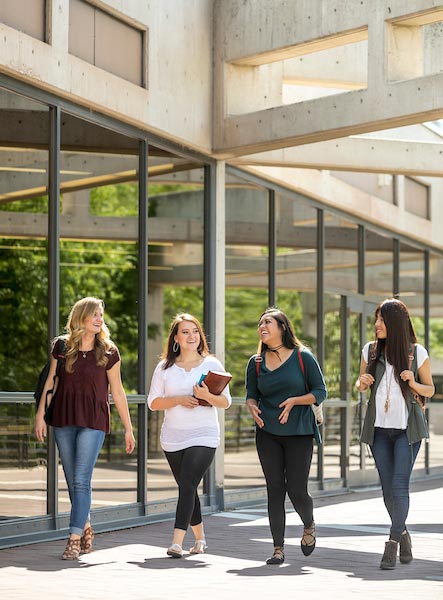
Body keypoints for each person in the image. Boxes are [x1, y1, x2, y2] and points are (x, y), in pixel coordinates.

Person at [35, 297, 135, 560]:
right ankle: (86, 525)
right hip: (63, 416)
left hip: (94, 419)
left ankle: (74, 538)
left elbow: (118, 391)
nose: (99, 319)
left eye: (101, 314)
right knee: (73, 480)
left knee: (81, 479)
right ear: (81, 317)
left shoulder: (109, 351)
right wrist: (39, 416)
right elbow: (51, 382)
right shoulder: (62, 346)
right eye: (94, 314)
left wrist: (128, 428)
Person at [356, 298, 434, 570]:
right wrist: (361, 382)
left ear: (396, 324)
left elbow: (430, 391)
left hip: (407, 432)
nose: (376, 325)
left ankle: (391, 543)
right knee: (387, 489)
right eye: (376, 319)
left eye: (382, 320)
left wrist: (413, 381)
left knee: (399, 485)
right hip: (378, 431)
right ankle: (404, 535)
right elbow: (361, 383)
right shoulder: (370, 350)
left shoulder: (416, 352)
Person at [245, 307, 327, 565]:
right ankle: (278, 548)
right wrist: (251, 406)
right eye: (260, 323)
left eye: (268, 322)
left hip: (299, 433)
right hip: (267, 432)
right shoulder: (255, 362)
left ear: (282, 327)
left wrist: (295, 401)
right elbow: (251, 394)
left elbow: (320, 391)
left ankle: (309, 523)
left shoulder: (303, 357)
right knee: (275, 489)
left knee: (297, 490)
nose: (262, 327)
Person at [148, 313, 231, 558]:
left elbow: (225, 402)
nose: (191, 336)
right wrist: (178, 400)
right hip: (172, 438)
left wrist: (206, 396)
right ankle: (200, 539)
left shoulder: (211, 365)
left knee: (186, 485)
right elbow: (153, 402)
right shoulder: (164, 368)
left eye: (195, 331)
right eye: (185, 332)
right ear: (176, 338)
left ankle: (176, 542)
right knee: (189, 488)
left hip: (204, 435)